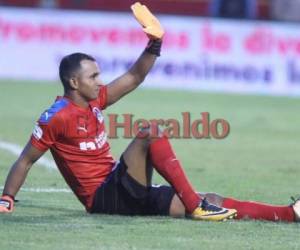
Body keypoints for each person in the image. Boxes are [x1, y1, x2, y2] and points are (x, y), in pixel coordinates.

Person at [0, 2, 299, 223]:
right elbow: (25, 160)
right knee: (150, 132)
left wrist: (154, 44)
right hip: (104, 198)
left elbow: (134, 77)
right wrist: (7, 199)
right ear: (74, 82)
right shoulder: (57, 116)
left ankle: (289, 214)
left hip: (121, 185)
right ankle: (196, 206)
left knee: (215, 201)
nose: (99, 81)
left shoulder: (95, 101)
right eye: (93, 76)